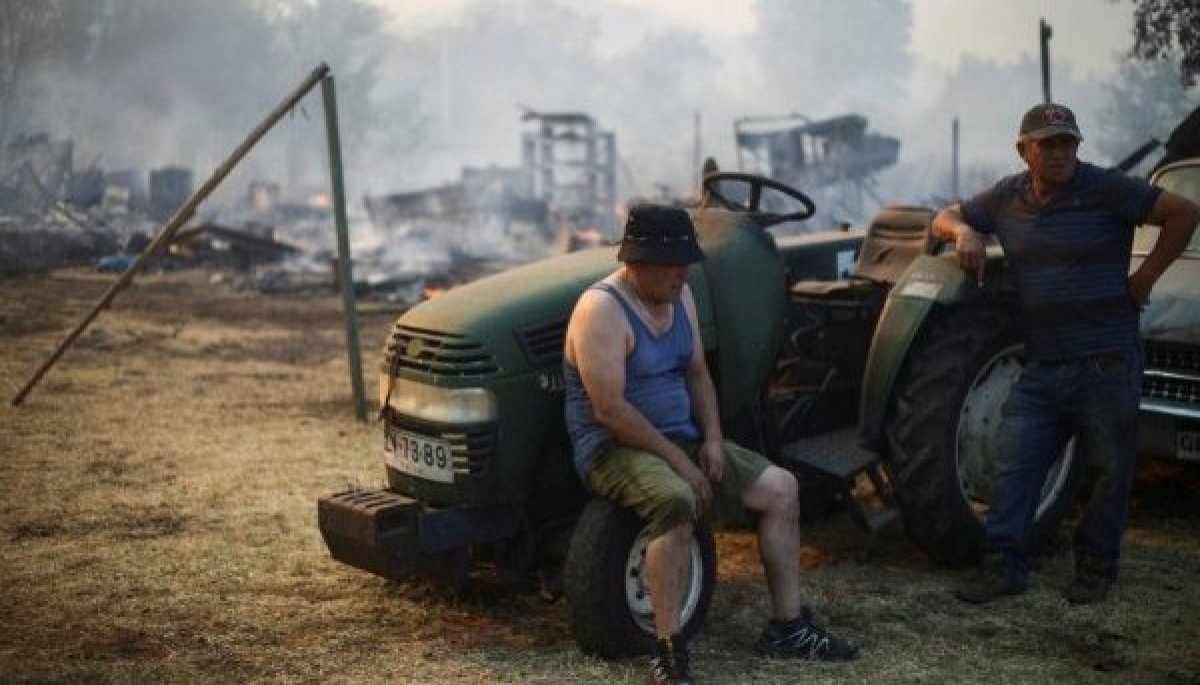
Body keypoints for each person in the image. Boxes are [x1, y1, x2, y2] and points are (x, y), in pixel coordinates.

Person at [563, 204, 859, 684]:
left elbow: (698, 374)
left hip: (680, 439)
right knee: (677, 500)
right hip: (612, 449)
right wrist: (682, 461)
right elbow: (610, 411)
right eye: (673, 263)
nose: (684, 272)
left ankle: (789, 628)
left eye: (686, 261)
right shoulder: (601, 310)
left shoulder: (681, 297)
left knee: (782, 489)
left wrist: (715, 441)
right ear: (638, 261)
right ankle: (668, 653)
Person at [932, 102, 1200, 605]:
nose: (1059, 153)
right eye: (1047, 143)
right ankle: (1003, 569)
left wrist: (1144, 278)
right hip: (1044, 365)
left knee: (1109, 472)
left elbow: (1184, 213)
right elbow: (944, 217)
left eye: (1067, 143)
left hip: (1106, 362)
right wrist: (965, 231)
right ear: (1024, 150)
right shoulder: (1006, 197)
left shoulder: (1108, 188)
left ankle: (1096, 568)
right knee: (1014, 468)